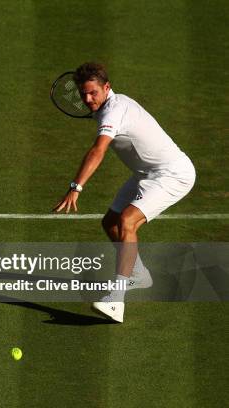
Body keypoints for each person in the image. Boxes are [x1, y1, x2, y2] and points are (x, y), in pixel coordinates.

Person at [52, 62, 196, 323]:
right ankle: (138, 274)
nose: (87, 99)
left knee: (127, 221)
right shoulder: (107, 106)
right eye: (83, 94)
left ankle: (116, 301)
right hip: (146, 174)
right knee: (110, 223)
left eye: (93, 93)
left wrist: (76, 187)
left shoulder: (113, 112)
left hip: (173, 175)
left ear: (106, 87)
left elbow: (98, 151)